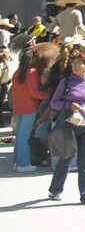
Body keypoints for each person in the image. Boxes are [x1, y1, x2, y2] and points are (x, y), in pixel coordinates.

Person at [48, 49, 85, 204]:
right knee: (66, 157)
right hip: (70, 126)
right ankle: (55, 190)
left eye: (78, 63)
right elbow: (54, 103)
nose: (74, 65)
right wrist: (69, 105)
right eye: (73, 62)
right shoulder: (65, 82)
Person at [11, 37, 48, 172]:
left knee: (19, 136)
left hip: (19, 108)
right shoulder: (31, 73)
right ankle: (23, 163)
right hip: (29, 108)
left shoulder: (16, 73)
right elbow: (35, 93)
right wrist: (48, 94)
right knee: (24, 137)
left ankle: (17, 162)